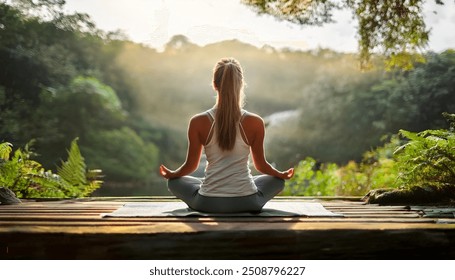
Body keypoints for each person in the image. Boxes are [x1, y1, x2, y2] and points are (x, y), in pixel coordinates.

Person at [159, 58, 294, 213]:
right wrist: (280, 174)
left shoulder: (198, 122)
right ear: (241, 85)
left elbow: (191, 166)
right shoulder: (255, 122)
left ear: (215, 85)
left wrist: (173, 174)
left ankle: (209, 186)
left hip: (208, 203)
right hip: (248, 202)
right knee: (277, 181)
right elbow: (261, 165)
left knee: (174, 183)